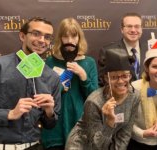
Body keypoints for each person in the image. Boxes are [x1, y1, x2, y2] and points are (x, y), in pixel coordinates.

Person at [0, 17, 61, 150]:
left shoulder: (52, 77)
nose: (41, 40)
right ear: (22, 36)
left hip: (34, 146)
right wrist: (9, 114)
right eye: (36, 34)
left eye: (47, 37)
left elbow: (50, 125)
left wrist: (49, 112)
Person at [41, 18, 98, 150]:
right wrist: (59, 87)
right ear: (60, 38)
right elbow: (43, 93)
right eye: (65, 36)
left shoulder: (89, 62)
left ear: (79, 38)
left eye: (74, 36)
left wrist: (83, 77)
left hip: (80, 125)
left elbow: (95, 98)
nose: (70, 40)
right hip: (56, 127)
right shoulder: (50, 61)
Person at [65, 49, 140, 150]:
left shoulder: (134, 97)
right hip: (83, 145)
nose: (121, 81)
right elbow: (96, 145)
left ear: (130, 76)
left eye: (125, 76)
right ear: (106, 78)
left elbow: (125, 134)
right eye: (114, 77)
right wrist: (109, 122)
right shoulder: (94, 102)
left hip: (108, 143)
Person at [98, 12, 146, 86]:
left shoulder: (149, 49)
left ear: (141, 29)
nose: (133, 30)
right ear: (122, 30)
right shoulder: (108, 51)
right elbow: (102, 82)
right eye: (129, 26)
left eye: (137, 26)